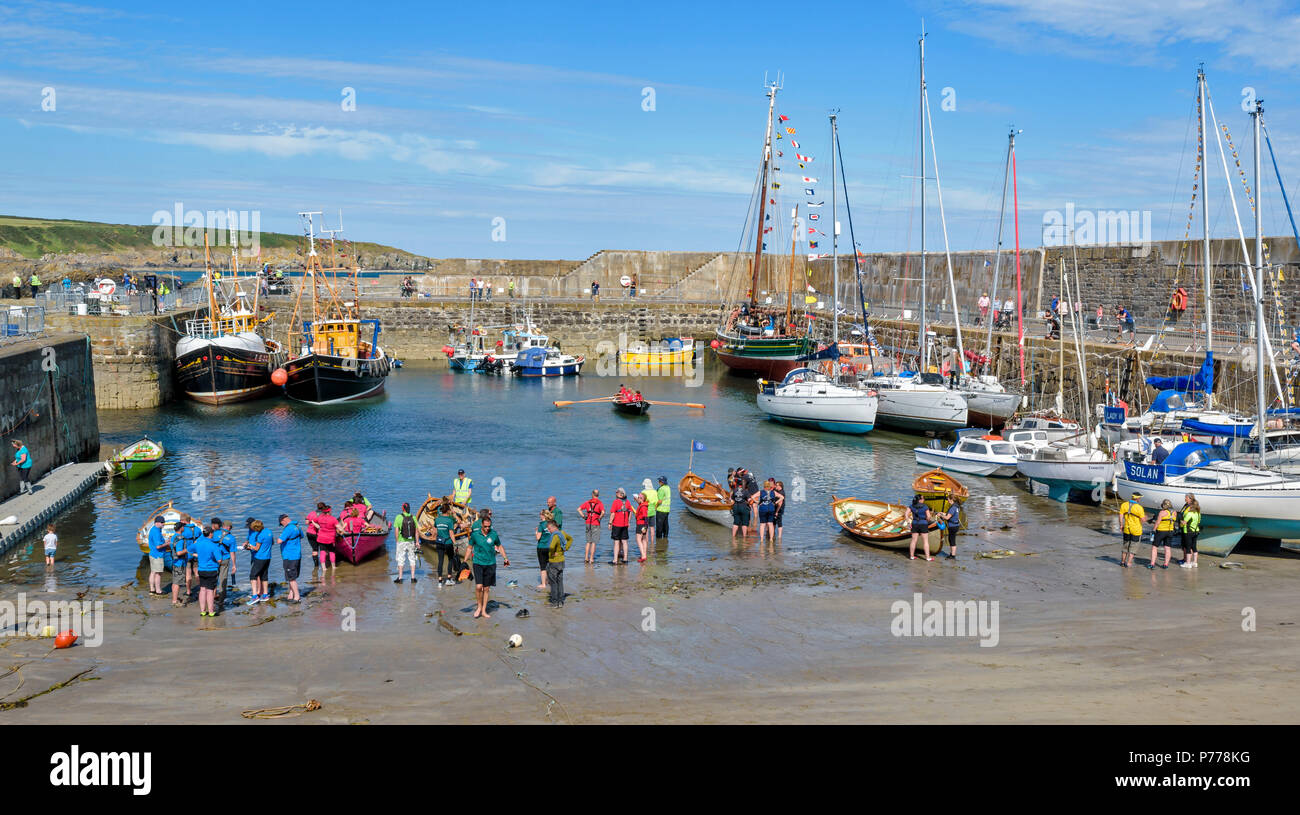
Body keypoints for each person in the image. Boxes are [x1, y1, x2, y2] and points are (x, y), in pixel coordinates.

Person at [468, 515, 508, 619]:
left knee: (486, 588)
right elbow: (469, 548)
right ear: (482, 525)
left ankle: (484, 610)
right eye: (485, 526)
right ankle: (479, 607)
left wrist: (505, 558)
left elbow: (499, 546)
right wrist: (464, 561)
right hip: (478, 563)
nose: (487, 528)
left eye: (489, 526)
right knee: (478, 587)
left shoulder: (493, 534)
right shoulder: (475, 535)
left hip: (490, 564)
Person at [194, 526, 222, 617]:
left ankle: (202, 611)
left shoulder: (198, 543)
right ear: (210, 534)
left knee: (202, 589)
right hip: (211, 569)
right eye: (212, 533)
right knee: (210, 591)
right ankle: (211, 612)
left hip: (201, 569)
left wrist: (198, 555)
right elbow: (219, 560)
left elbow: (189, 549)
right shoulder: (213, 545)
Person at [243, 519, 273, 604]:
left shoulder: (260, 535)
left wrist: (249, 546)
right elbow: (272, 543)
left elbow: (256, 548)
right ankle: (265, 595)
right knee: (264, 575)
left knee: (253, 576)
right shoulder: (269, 531)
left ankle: (255, 596)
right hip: (268, 557)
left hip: (259, 557)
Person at [275, 514, 304, 601]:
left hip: (289, 556)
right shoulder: (297, 526)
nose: (282, 526)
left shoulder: (288, 528)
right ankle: (291, 594)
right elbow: (302, 536)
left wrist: (281, 536)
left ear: (284, 520)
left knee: (291, 578)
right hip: (297, 554)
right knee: (292, 576)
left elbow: (279, 541)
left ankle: (297, 596)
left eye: (281, 524)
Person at [432, 499, 460, 584]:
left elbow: (435, 531)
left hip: (439, 542)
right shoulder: (449, 520)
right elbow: (451, 533)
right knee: (450, 560)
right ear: (448, 511)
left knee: (440, 561)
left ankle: (440, 580)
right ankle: (448, 579)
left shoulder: (437, 519)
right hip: (447, 543)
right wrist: (455, 543)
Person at [544, 519, 571, 608]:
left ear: (553, 527)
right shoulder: (562, 533)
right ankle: (560, 601)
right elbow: (570, 539)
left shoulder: (555, 536)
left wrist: (551, 553)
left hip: (554, 561)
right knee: (560, 581)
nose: (548, 530)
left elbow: (551, 547)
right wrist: (565, 548)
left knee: (553, 582)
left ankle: (555, 602)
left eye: (549, 529)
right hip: (562, 561)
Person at [1119, 491, 1146, 568]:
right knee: (1133, 547)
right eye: (1139, 498)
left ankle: (1122, 562)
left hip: (1127, 529)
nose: (1140, 499)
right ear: (1137, 498)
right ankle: (1129, 562)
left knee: (1125, 546)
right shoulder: (1139, 508)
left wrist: (1121, 525)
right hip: (1136, 530)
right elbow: (1143, 520)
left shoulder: (1124, 505)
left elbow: (1120, 515)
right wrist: (1146, 518)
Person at [393, 502, 418, 584]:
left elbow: (396, 531)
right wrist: (417, 542)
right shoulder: (413, 517)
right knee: (412, 559)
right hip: (411, 541)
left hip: (401, 541)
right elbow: (416, 531)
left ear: (402, 508)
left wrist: (397, 541)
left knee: (401, 559)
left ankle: (400, 578)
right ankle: (413, 578)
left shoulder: (398, 517)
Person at [211, 518, 236, 603]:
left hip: (214, 558)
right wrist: (234, 565)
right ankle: (221, 598)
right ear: (229, 527)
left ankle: (212, 595)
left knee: (214, 577)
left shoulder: (215, 533)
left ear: (223, 526)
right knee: (223, 578)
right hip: (224, 559)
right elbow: (232, 552)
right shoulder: (231, 538)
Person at [577, 489, 604, 564]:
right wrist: (599, 518)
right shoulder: (600, 503)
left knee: (588, 541)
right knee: (594, 542)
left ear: (592, 494)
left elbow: (579, 509)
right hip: (595, 523)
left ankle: (586, 558)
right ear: (598, 495)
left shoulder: (587, 502)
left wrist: (583, 516)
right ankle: (591, 558)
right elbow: (603, 512)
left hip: (588, 523)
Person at [608, 488, 632, 564]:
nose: (616, 493)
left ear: (620, 494)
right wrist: (628, 521)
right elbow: (630, 512)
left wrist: (610, 523)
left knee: (616, 542)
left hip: (617, 524)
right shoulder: (627, 502)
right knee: (624, 541)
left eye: (617, 492)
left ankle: (615, 560)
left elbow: (613, 513)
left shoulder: (615, 502)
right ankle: (625, 559)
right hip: (625, 524)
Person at [906, 495, 932, 561]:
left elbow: (906, 514)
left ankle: (911, 556)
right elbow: (928, 517)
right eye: (923, 499)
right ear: (919, 500)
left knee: (913, 541)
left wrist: (908, 522)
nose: (924, 500)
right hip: (923, 524)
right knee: (925, 541)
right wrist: (928, 520)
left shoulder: (911, 506)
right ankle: (928, 557)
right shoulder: (925, 506)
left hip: (915, 523)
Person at [170, 520, 190, 606]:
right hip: (180, 563)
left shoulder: (173, 537)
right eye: (183, 526)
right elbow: (179, 553)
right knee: (177, 582)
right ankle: (175, 601)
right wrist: (187, 550)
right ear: (180, 528)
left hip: (174, 562)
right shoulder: (180, 539)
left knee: (174, 581)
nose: (184, 527)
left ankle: (174, 598)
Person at [1152, 499, 1176, 569]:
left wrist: (1154, 530)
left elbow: (1158, 522)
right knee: (1167, 548)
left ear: (1163, 505)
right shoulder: (1174, 512)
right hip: (1170, 531)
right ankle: (1166, 564)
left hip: (1161, 531)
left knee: (1154, 547)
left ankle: (1152, 564)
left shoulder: (1162, 512)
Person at [146, 515, 167, 595]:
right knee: (158, 573)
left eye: (164, 522)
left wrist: (164, 542)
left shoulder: (154, 529)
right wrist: (167, 544)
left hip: (152, 554)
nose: (163, 524)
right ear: (157, 523)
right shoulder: (156, 532)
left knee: (153, 572)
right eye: (162, 523)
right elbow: (158, 546)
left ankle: (152, 589)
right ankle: (158, 590)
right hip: (158, 555)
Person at [314, 503, 339, 571]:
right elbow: (339, 527)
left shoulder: (320, 518)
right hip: (330, 539)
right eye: (331, 511)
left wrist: (318, 527)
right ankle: (333, 566)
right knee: (331, 552)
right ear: (329, 511)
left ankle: (324, 568)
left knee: (322, 552)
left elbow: (313, 521)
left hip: (321, 538)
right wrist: (343, 531)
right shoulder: (333, 519)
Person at [1180, 493, 1201, 569]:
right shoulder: (1198, 513)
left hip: (1188, 531)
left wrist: (1181, 522)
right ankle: (1195, 562)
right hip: (1196, 531)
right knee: (1194, 547)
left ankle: (1188, 563)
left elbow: (1184, 522)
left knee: (1188, 547)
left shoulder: (1190, 513)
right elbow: (1199, 522)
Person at [729, 476, 753, 541]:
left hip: (736, 507)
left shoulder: (735, 490)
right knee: (744, 523)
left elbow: (731, 500)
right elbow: (750, 501)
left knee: (735, 523)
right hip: (744, 507)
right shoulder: (746, 491)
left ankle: (733, 537)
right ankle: (744, 538)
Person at [756, 479, 779, 543]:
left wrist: (757, 502)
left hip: (763, 509)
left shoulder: (761, 492)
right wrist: (775, 503)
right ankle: (771, 539)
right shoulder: (773, 492)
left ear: (764, 486)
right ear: (769, 486)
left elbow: (752, 496)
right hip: (771, 509)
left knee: (762, 525)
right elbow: (782, 497)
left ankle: (761, 539)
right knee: (770, 524)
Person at [640, 477, 658, 547]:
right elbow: (656, 502)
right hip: (653, 511)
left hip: (645, 512)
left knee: (646, 527)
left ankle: (646, 542)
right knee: (652, 527)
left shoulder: (643, 492)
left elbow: (641, 503)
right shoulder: (655, 492)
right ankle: (652, 542)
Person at [655, 476, 671, 545]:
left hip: (661, 509)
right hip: (667, 509)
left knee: (659, 526)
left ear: (662, 482)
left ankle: (658, 539)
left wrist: (655, 507)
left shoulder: (661, 489)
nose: (658, 482)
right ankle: (665, 537)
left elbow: (660, 501)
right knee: (665, 524)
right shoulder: (668, 488)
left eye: (659, 481)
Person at [634, 492, 650, 560]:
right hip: (643, 524)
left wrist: (645, 527)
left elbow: (645, 516)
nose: (638, 498)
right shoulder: (643, 505)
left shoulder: (643, 507)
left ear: (642, 499)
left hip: (641, 524)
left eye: (639, 497)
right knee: (644, 539)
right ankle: (644, 555)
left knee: (638, 539)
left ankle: (643, 555)